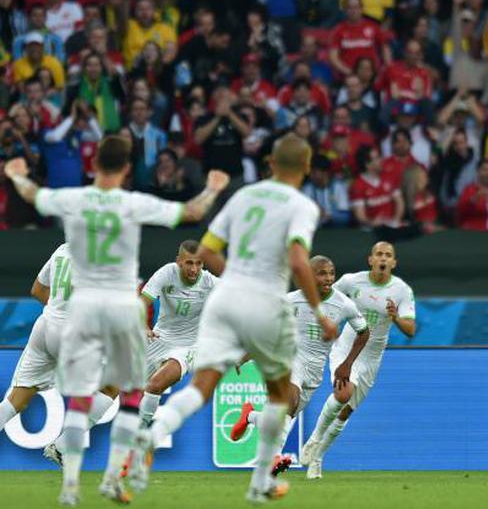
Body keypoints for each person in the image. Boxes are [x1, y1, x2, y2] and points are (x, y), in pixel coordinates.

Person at [2, 136, 229, 504]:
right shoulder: (129, 203)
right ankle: (108, 478)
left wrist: (16, 175)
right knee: (121, 390)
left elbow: (32, 195)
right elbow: (189, 212)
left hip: (61, 318)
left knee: (50, 397)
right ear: (126, 169)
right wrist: (213, 189)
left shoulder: (72, 205)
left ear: (94, 166)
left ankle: (69, 476)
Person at [141, 136, 334, 503]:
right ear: (307, 167)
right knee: (280, 395)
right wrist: (319, 312)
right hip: (265, 303)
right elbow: (296, 262)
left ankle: (145, 442)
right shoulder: (302, 206)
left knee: (201, 387)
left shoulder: (244, 196)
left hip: (225, 299)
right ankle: (261, 480)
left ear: (271, 164)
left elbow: (208, 249)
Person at [229, 256, 369, 479]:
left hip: (315, 370)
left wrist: (346, 364)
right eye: (322, 273)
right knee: (289, 401)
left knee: (282, 416)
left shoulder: (343, 304)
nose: (329, 278)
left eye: (331, 273)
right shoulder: (290, 300)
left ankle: (251, 417)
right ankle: (273, 459)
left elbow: (364, 332)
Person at [300, 242, 416, 478]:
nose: (383, 258)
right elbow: (326, 295)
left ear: (394, 263)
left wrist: (395, 318)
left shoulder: (402, 291)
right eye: (379, 254)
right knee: (343, 394)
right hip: (346, 349)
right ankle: (313, 439)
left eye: (388, 255)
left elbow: (411, 329)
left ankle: (318, 458)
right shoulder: (351, 282)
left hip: (372, 357)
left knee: (345, 413)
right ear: (370, 259)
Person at [0, 244, 117, 463]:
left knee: (18, 397)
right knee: (113, 384)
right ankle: (62, 447)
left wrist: (59, 307)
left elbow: (37, 289)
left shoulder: (62, 249)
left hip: (45, 328)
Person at [136, 241, 219, 427]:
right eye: (189, 263)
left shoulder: (210, 282)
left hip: (188, 346)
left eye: (199, 263)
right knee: (117, 387)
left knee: (155, 385)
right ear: (179, 261)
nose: (194, 269)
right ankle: (61, 445)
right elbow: (142, 303)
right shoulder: (167, 273)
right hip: (159, 338)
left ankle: (139, 436)